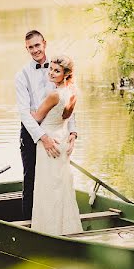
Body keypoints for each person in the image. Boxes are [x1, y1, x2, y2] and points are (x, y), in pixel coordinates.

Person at [15, 30, 78, 220]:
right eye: (30, 47)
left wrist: (73, 132)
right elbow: (25, 114)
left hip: (57, 132)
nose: (35, 50)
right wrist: (43, 137)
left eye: (37, 45)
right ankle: (30, 223)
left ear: (44, 43)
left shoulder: (58, 67)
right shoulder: (22, 75)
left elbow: (68, 104)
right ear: (26, 49)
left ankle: (56, 221)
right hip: (32, 133)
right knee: (32, 180)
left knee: (56, 179)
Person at [29, 55, 83, 236]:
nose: (51, 73)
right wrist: (73, 134)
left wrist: (25, 108)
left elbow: (36, 117)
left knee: (47, 188)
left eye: (56, 71)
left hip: (49, 142)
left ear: (66, 74)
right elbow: (67, 117)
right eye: (51, 69)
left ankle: (48, 231)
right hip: (62, 138)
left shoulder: (54, 94)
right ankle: (66, 230)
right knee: (60, 188)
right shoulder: (73, 91)